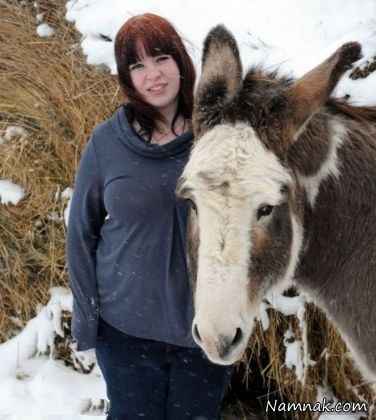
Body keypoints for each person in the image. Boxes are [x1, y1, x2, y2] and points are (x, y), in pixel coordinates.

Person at [67, 13, 233, 420]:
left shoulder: (218, 135)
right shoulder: (107, 142)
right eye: (137, 66)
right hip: (125, 331)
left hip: (204, 330)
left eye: (161, 58)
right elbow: (81, 232)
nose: (153, 75)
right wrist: (88, 319)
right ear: (126, 78)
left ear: (181, 61)